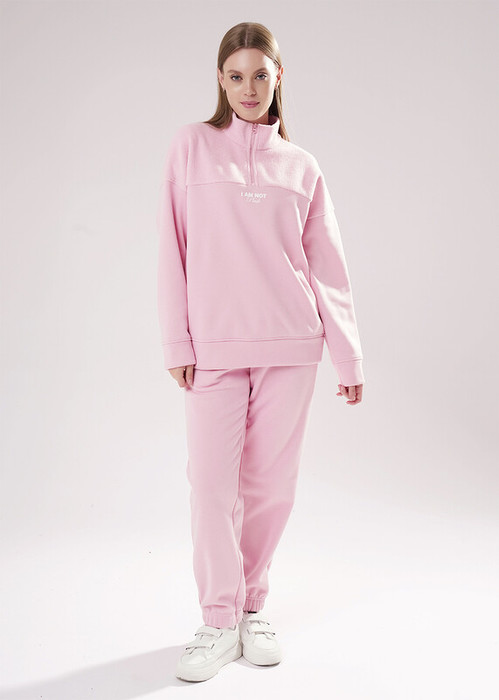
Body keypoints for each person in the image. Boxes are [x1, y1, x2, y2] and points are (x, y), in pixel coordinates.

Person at [156, 21, 365, 683]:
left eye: (260, 75)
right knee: (211, 488)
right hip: (214, 349)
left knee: (271, 487)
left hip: (290, 347)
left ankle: (251, 608)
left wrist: (348, 356)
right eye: (236, 75)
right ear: (220, 79)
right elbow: (171, 248)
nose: (248, 88)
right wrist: (177, 339)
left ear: (278, 78)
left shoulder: (302, 167)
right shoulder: (190, 148)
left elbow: (327, 266)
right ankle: (217, 619)